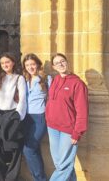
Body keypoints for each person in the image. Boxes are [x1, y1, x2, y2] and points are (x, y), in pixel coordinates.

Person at [45, 53, 88, 181]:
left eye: (63, 61)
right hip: (52, 127)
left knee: (64, 165)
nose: (61, 64)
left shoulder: (78, 83)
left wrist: (77, 132)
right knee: (60, 163)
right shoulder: (55, 80)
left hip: (68, 130)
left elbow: (82, 110)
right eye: (57, 63)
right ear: (53, 66)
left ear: (67, 62)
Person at [0, 53, 26, 181]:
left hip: (13, 115)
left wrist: (18, 116)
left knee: (15, 147)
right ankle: (1, 175)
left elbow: (22, 99)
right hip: (0, 115)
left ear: (13, 63)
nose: (5, 65)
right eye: (3, 63)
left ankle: (11, 177)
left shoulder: (19, 78)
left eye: (8, 62)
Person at [22, 53, 52, 181]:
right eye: (28, 65)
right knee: (34, 149)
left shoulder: (46, 79)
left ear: (38, 64)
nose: (30, 67)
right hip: (26, 118)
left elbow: (52, 99)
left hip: (39, 117)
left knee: (28, 149)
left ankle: (40, 179)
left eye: (33, 64)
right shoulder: (24, 79)